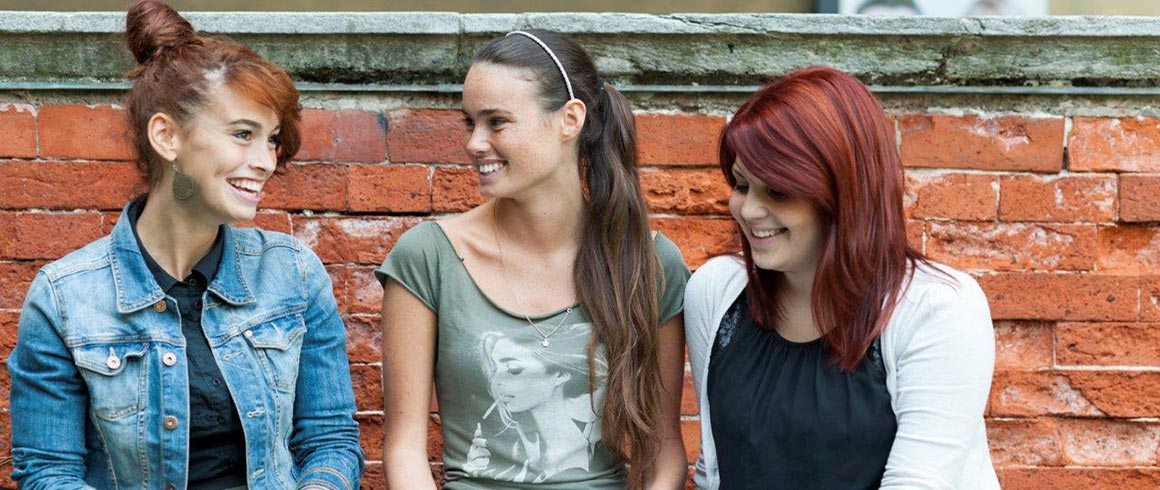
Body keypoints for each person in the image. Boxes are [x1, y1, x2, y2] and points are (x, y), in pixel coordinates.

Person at [7, 1, 363, 488]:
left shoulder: (293, 274)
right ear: (167, 136)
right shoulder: (65, 298)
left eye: (272, 139)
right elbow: (49, 472)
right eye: (243, 134)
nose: (265, 160)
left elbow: (329, 441)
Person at [377, 29, 690, 489]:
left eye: (497, 122)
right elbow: (404, 449)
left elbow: (663, 453)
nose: (474, 143)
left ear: (570, 120)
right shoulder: (428, 256)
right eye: (470, 123)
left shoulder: (649, 262)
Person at [684, 67, 999, 489]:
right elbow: (715, 473)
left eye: (778, 191)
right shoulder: (716, 293)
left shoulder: (937, 310)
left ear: (843, 192)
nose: (749, 210)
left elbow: (917, 482)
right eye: (741, 186)